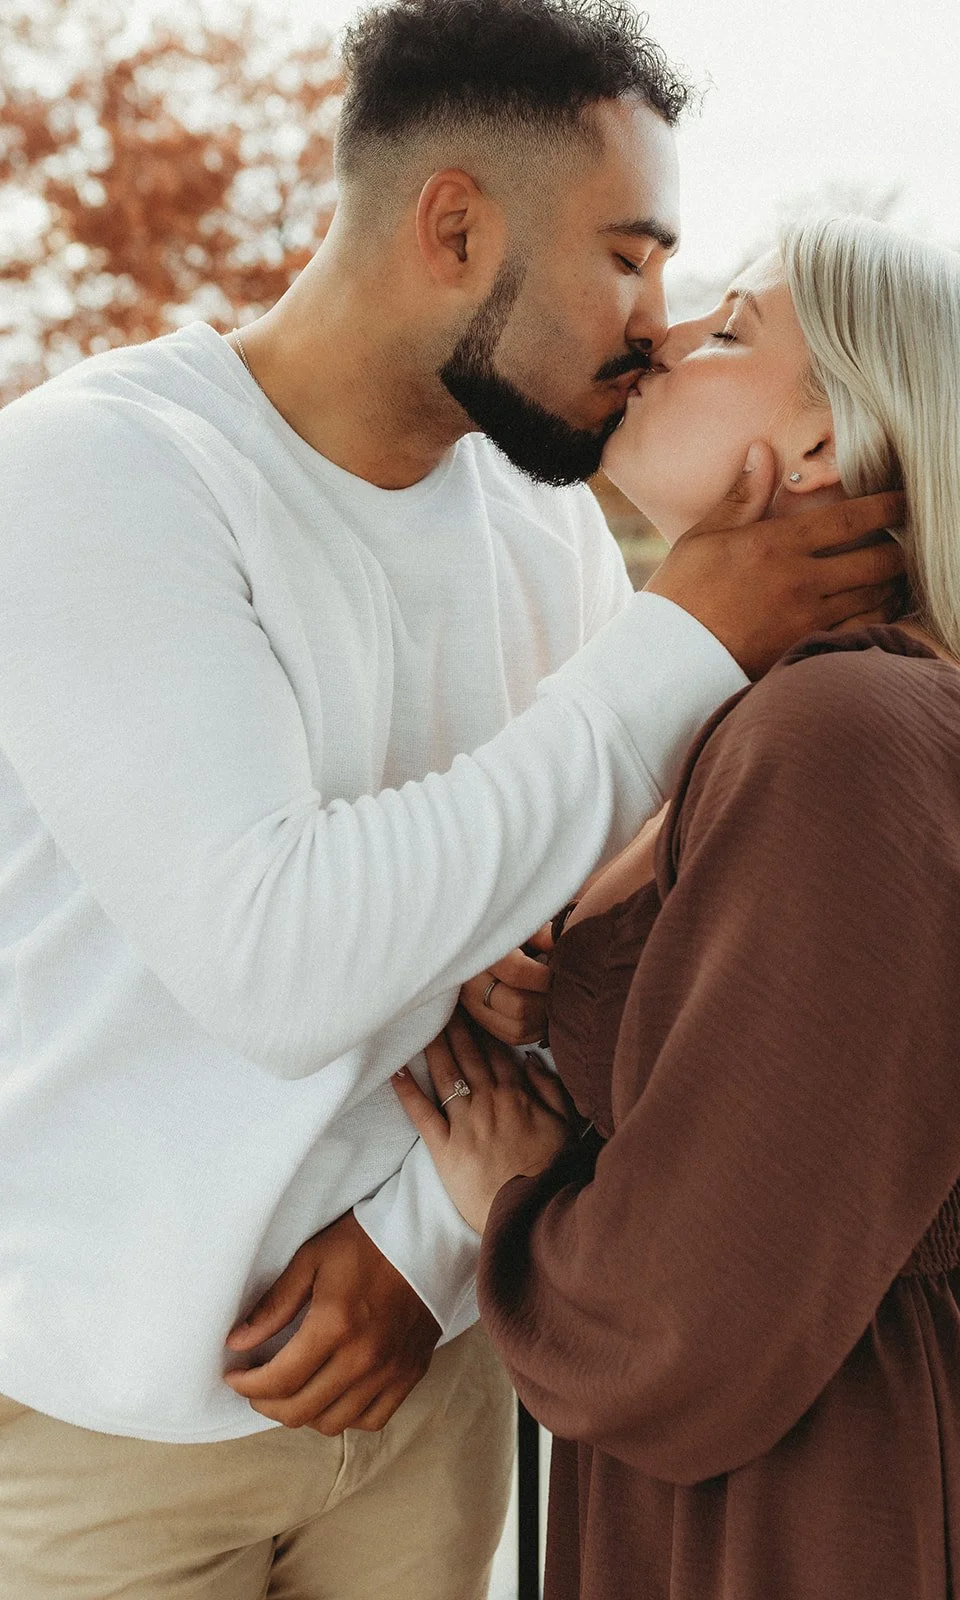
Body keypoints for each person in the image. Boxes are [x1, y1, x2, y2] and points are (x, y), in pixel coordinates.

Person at [0, 1, 904, 1595]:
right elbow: (279, 962)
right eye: (628, 255)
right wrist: (683, 641)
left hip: (431, 1392)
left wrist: (423, 1251)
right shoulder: (99, 480)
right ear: (455, 225)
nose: (657, 317)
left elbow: (573, 947)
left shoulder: (529, 513)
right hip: (100, 1429)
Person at [395, 215, 960, 1600]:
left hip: (837, 1486)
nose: (658, 340)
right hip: (821, 1430)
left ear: (828, 448)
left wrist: (518, 1194)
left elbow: (693, 1310)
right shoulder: (796, 707)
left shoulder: (849, 729)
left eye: (729, 330)